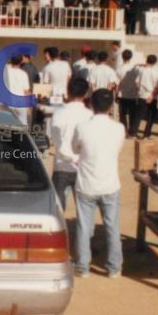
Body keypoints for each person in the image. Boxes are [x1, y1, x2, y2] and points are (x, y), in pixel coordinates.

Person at [66, 88, 126, 278]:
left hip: (86, 184)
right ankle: (114, 267)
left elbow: (75, 147)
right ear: (111, 106)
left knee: (84, 226)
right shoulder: (119, 128)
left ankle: (82, 266)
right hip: (110, 184)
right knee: (112, 226)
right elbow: (118, 150)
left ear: (90, 104)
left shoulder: (82, 127)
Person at [50, 78, 91, 215]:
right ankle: (84, 235)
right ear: (86, 94)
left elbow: (56, 140)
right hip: (83, 165)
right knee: (84, 211)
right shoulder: (90, 115)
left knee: (58, 209)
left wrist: (69, 157)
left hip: (62, 165)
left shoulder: (59, 113)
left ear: (68, 92)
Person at [135, 54, 158, 138]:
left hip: (142, 95)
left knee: (139, 115)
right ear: (155, 62)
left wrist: (139, 91)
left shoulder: (141, 71)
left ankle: (133, 132)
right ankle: (147, 133)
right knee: (151, 116)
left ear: (146, 60)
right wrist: (152, 96)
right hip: (152, 96)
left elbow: (136, 82)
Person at [116, 49, 140, 135]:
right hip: (133, 95)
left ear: (122, 57)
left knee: (122, 114)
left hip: (122, 94)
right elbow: (138, 82)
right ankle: (132, 131)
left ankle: (124, 131)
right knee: (132, 114)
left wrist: (116, 94)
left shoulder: (119, 69)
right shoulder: (135, 69)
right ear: (131, 57)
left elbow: (117, 83)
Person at [5, 55, 32, 127]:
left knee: (8, 124)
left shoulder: (6, 72)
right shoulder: (23, 74)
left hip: (9, 101)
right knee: (23, 125)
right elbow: (26, 91)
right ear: (21, 62)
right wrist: (29, 107)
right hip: (21, 102)